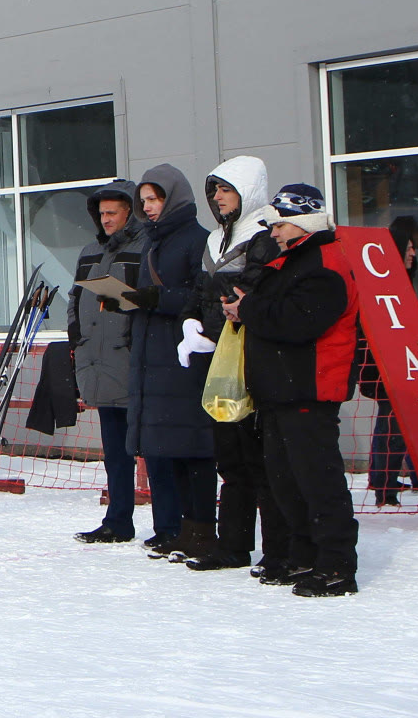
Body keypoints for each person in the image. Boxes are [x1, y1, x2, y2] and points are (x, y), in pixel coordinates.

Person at [224, 184, 361, 598]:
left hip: (310, 388)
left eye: (279, 222)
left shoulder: (325, 263)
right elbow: (275, 310)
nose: (273, 231)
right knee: (287, 480)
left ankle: (336, 566)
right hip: (281, 388)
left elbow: (297, 322)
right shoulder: (294, 260)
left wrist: (246, 309)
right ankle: (302, 556)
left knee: (317, 481)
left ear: (302, 222)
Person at [176, 156, 287, 576]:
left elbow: (252, 292)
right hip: (220, 359)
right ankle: (234, 544)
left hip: (253, 357)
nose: (218, 198)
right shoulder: (216, 240)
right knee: (231, 457)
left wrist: (216, 319)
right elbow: (200, 290)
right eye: (214, 191)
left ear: (247, 189)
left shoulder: (264, 234)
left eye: (225, 189)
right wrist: (189, 322)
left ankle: (277, 549)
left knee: (261, 458)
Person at [124, 165, 215, 560]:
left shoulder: (198, 240)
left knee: (194, 449)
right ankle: (180, 529)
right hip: (154, 357)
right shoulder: (152, 242)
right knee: (169, 448)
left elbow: (203, 296)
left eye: (154, 199)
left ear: (174, 196)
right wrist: (128, 302)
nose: (148, 207)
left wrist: (155, 300)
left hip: (184, 359)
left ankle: (200, 531)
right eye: (144, 201)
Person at [66, 179, 145, 545]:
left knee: (154, 452)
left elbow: (149, 301)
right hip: (97, 362)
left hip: (133, 362)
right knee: (115, 453)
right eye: (102, 213)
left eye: (112, 212)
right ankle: (118, 520)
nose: (106, 219)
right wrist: (76, 337)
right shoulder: (88, 251)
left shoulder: (146, 247)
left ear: (130, 212)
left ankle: (170, 527)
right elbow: (75, 300)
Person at [354, 220, 418, 506]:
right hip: (382, 365)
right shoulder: (379, 287)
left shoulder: (399, 283)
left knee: (395, 420)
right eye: (408, 247)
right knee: (394, 421)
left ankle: (388, 479)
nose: (413, 253)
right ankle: (385, 485)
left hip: (397, 363)